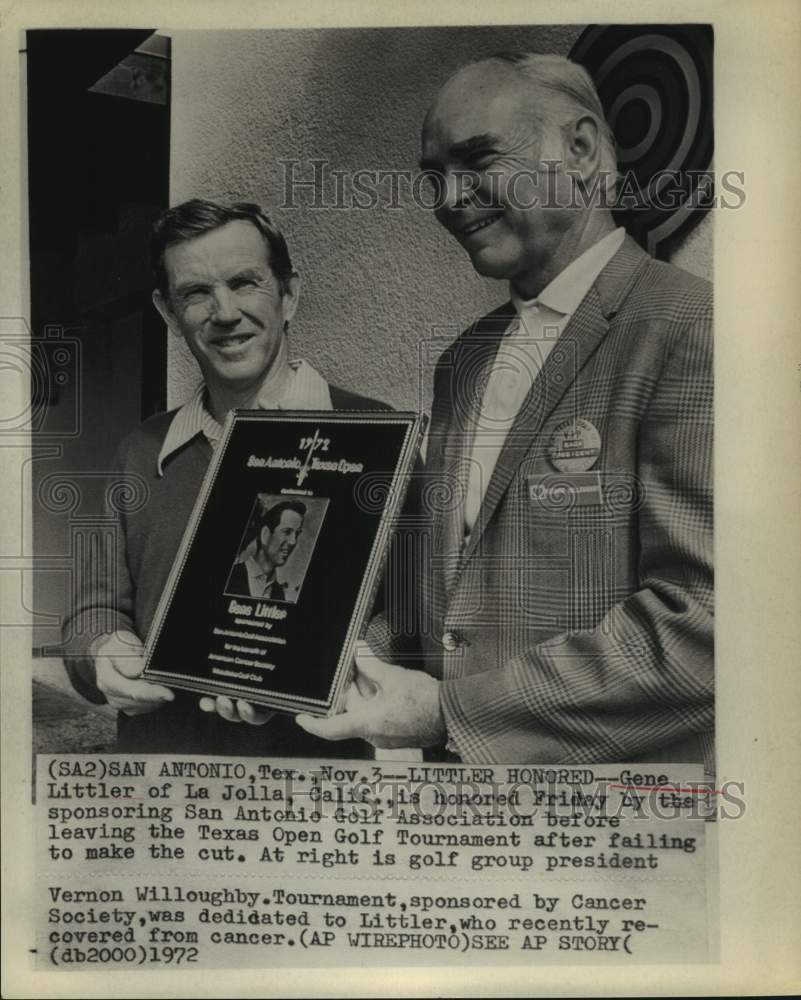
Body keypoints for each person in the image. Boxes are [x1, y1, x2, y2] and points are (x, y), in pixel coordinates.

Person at [298, 53, 715, 767]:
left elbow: (703, 630)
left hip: (617, 838)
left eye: (477, 159)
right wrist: (343, 656)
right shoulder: (462, 361)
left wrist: (446, 713)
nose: (451, 198)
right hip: (464, 823)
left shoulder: (690, 328)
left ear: (579, 150)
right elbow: (449, 594)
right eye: (434, 176)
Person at [62, 198, 384, 755]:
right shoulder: (140, 452)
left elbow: (417, 615)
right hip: (159, 780)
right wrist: (103, 652)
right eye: (196, 293)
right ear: (168, 312)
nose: (225, 312)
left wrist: (328, 663)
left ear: (289, 295)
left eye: (245, 282)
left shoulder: (379, 441)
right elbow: (90, 611)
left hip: (317, 790)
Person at [227, 499, 306, 602]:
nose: (293, 541)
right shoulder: (231, 576)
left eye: (297, 534)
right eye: (287, 532)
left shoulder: (279, 593)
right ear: (265, 534)